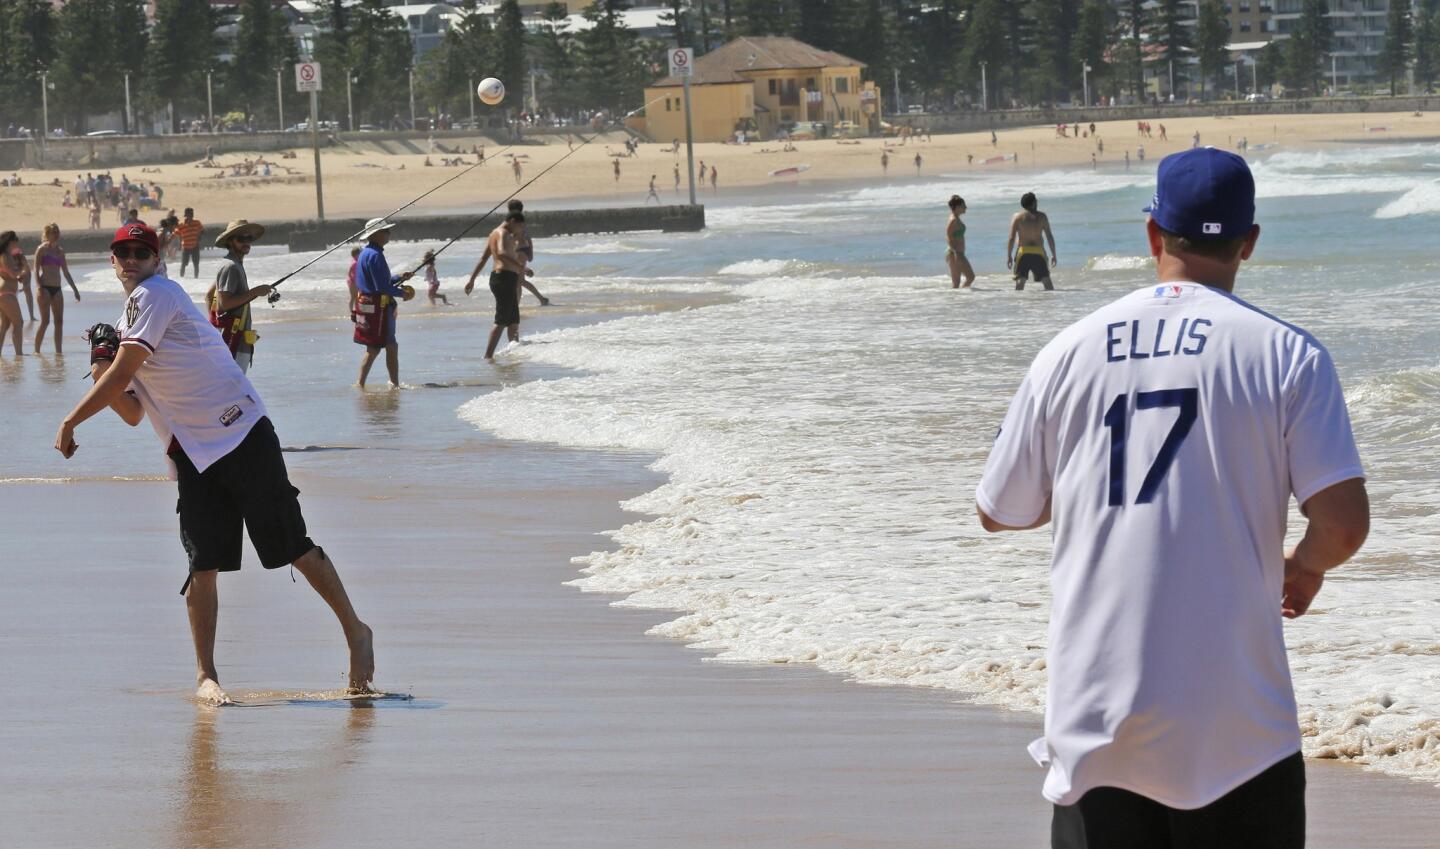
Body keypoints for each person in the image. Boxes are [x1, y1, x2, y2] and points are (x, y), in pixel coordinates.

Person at [975, 147, 1368, 849]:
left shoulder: (1067, 351)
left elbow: (999, 509)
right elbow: (1341, 524)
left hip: (1096, 723)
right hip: (1238, 730)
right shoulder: (1288, 354)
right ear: (1249, 243)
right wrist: (1305, 564)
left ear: (1153, 234)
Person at [53, 222, 377, 705]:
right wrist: (100, 365)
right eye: (125, 252)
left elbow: (127, 369)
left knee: (292, 546)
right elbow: (133, 412)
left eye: (143, 251)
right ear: (112, 258)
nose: (133, 259)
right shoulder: (129, 321)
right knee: (202, 563)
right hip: (192, 452)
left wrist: (70, 420)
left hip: (241, 431)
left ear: (158, 257)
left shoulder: (156, 293)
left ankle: (356, 631)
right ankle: (207, 675)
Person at [353, 218, 414, 388]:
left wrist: (400, 277)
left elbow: (377, 282)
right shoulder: (376, 255)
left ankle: (360, 384)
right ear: (376, 234)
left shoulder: (366, 253)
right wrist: (403, 293)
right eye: (386, 231)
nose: (389, 233)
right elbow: (381, 287)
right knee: (390, 346)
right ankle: (394, 384)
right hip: (379, 309)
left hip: (366, 305)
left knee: (373, 348)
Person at [207, 220, 270, 373]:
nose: (246, 242)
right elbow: (224, 304)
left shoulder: (233, 264)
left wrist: (215, 327)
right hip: (233, 342)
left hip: (233, 340)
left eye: (248, 239)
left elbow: (209, 295)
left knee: (228, 390)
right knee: (233, 390)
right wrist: (256, 292)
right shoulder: (231, 267)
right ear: (230, 241)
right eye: (241, 239)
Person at [472, 212, 529, 361]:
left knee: (513, 320)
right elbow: (503, 253)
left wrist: (472, 279)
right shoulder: (502, 233)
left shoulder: (495, 234)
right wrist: (520, 266)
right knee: (502, 320)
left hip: (506, 277)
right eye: (520, 226)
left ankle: (514, 352)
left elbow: (484, 258)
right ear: (512, 221)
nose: (519, 230)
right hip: (503, 277)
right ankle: (488, 356)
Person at [32, 224, 80, 354]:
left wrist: (75, 290)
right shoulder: (41, 249)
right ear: (47, 234)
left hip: (57, 288)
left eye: (57, 231)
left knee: (59, 321)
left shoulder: (60, 251)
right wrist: (39, 286)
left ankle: (59, 352)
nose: (56, 234)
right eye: (53, 232)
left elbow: (66, 272)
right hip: (44, 287)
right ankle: (36, 351)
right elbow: (35, 269)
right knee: (45, 321)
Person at [1006, 192, 1057, 291]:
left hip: (1023, 252)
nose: (1037, 202)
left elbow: (1011, 238)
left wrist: (1009, 256)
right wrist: (1054, 255)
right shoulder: (1042, 217)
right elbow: (1049, 236)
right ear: (1033, 203)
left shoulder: (1017, 217)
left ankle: (1018, 304)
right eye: (1036, 201)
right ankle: (1051, 305)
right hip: (1039, 252)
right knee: (1047, 282)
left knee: (1020, 281)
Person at [0, 231, 26, 355]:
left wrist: (18, 275)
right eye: (16, 240)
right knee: (19, 322)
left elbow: (10, 274)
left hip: (7, 292)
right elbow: (13, 273)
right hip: (6, 293)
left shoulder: (7, 255)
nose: (17, 242)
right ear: (10, 242)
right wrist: (22, 266)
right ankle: (19, 354)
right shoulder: (4, 256)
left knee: (5, 324)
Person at [944, 196, 974, 290]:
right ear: (957, 207)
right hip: (954, 253)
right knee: (969, 277)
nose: (966, 207)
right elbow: (948, 237)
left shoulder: (956, 218)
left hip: (958, 253)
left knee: (958, 282)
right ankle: (958, 300)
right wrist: (956, 253)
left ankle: (959, 300)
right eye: (963, 205)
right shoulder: (953, 220)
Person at [176, 208, 203, 278]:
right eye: (189, 214)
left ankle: (196, 279)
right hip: (185, 247)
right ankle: (181, 278)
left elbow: (201, 231)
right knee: (184, 264)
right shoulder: (181, 225)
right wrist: (179, 244)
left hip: (195, 246)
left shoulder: (197, 223)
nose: (191, 216)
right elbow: (177, 234)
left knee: (196, 264)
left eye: (192, 214)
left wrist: (198, 239)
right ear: (186, 215)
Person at [346, 246, 361, 316]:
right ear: (355, 254)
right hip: (352, 282)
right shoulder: (355, 262)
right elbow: (349, 272)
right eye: (359, 253)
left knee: (357, 297)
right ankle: (352, 311)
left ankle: (356, 310)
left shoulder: (357, 261)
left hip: (356, 281)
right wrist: (352, 280)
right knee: (353, 297)